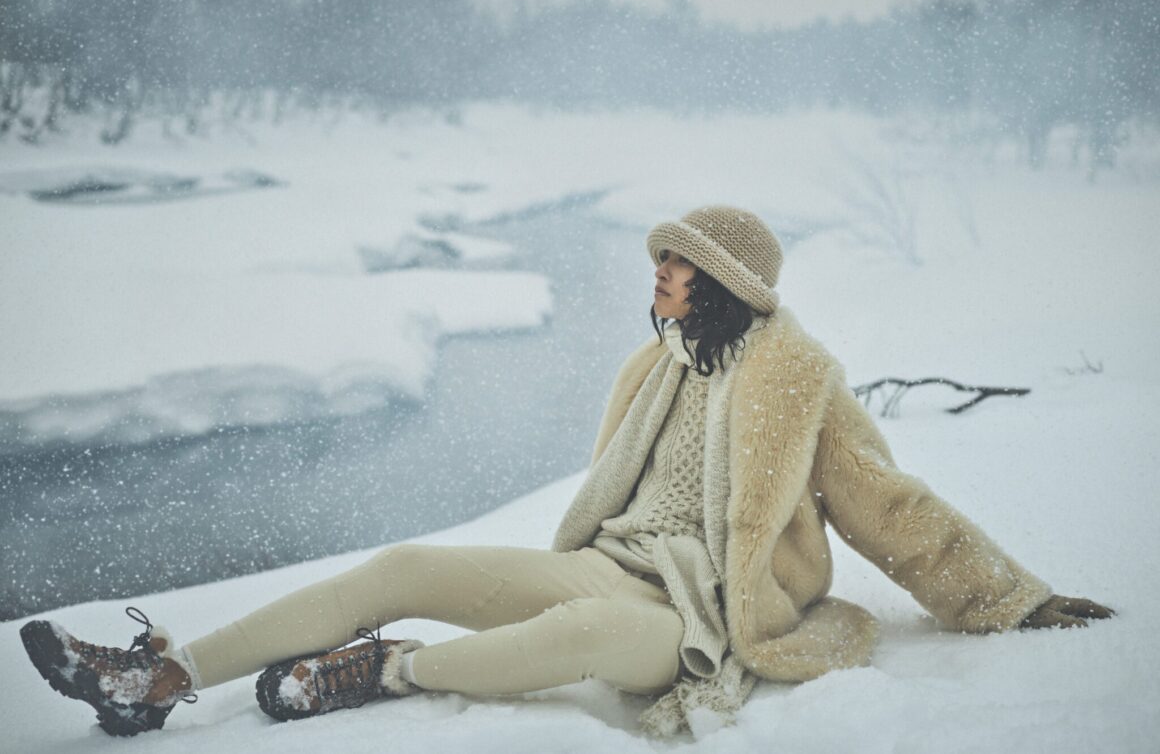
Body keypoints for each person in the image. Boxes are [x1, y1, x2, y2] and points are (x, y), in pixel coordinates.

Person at [20, 205, 1113, 738]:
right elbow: (613, 498)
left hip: (700, 610)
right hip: (612, 567)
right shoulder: (654, 362)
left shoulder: (796, 382)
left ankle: (385, 670)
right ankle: (159, 673)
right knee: (400, 559)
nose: (658, 271)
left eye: (676, 260)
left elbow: (890, 506)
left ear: (723, 277)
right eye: (660, 258)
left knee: (571, 649)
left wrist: (1006, 596)